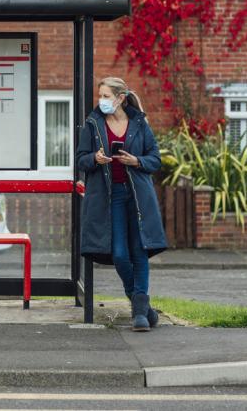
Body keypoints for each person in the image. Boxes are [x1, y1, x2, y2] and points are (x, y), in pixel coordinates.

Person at [76, 77, 167, 331]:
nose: (101, 101)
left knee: (140, 251)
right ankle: (143, 307)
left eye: (106, 96)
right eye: (100, 96)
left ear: (120, 98)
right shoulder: (93, 124)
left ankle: (139, 313)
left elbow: (155, 159)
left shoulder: (139, 123)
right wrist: (94, 158)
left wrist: (136, 161)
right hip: (109, 197)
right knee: (118, 253)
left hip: (137, 195)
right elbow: (81, 160)